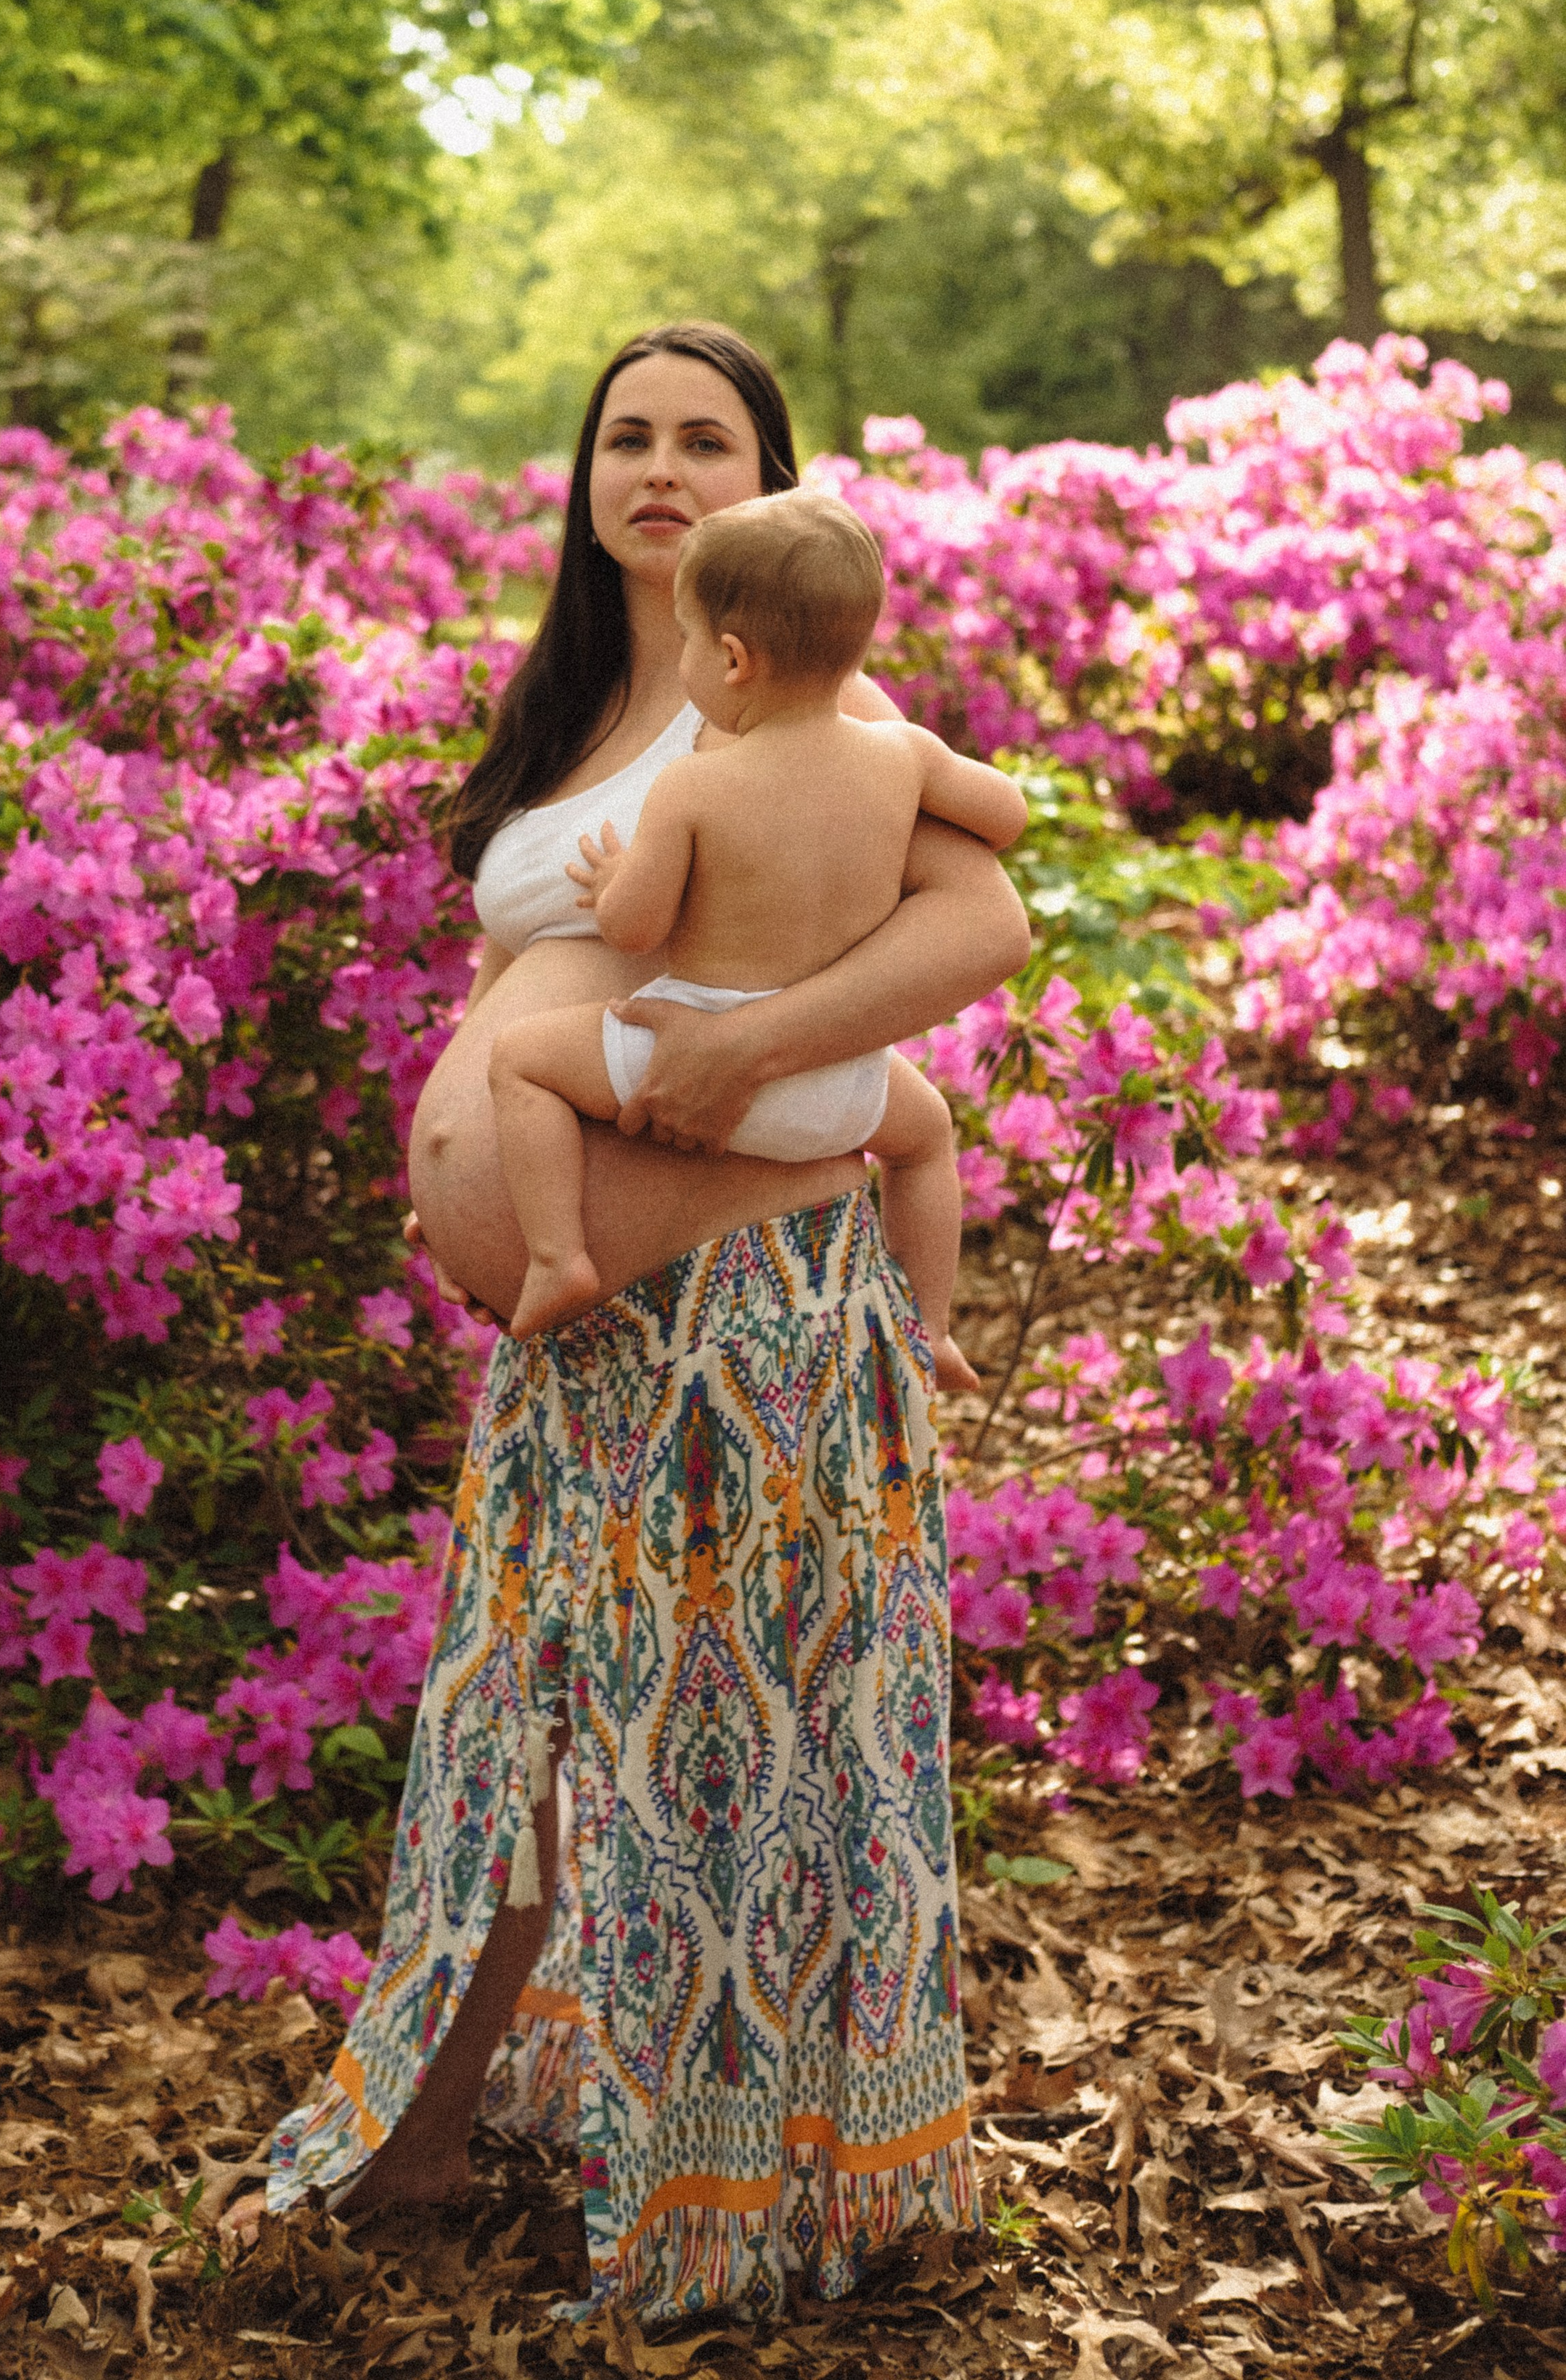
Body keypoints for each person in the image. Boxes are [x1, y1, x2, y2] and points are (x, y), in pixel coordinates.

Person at [258, 322, 1031, 2326]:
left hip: (747, 1303)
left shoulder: (803, 687)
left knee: (732, 1756)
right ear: (582, 474)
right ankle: (426, 2118)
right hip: (577, 1323)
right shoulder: (596, 701)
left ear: (773, 474)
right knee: (521, 1722)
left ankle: (768, 2184)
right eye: (628, 434)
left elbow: (985, 920)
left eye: (709, 435)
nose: (662, 464)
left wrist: (751, 1049)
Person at [487, 487, 1027, 1365]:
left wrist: (613, 879)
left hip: (689, 1054)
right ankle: (929, 1326)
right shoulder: (903, 756)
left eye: (690, 638)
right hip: (840, 1089)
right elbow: (1004, 815)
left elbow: (632, 929)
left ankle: (557, 1256)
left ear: (732, 659)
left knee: (521, 1062)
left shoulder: (695, 786)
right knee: (926, 1140)